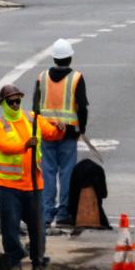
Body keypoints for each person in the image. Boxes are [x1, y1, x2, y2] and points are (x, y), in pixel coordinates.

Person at [0, 83, 64, 270]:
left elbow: (50, 133)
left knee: (38, 228)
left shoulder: (33, 119)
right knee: (10, 228)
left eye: (17, 100)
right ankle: (14, 260)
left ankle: (38, 261)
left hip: (33, 184)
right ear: (3, 104)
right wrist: (25, 145)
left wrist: (60, 130)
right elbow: (5, 146)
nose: (15, 104)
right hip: (9, 187)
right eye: (10, 102)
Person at [33, 38, 90, 229]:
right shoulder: (76, 78)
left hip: (47, 133)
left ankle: (47, 213)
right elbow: (82, 107)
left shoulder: (42, 77)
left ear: (54, 58)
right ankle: (64, 213)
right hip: (68, 134)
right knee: (67, 173)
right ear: (70, 58)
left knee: (48, 173)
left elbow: (35, 108)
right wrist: (81, 129)